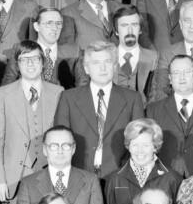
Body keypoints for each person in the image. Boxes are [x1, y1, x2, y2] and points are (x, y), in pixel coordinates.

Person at [0, 40, 63, 204]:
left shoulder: (58, 93)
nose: (30, 63)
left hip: (48, 177)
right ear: (17, 64)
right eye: (24, 59)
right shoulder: (2, 94)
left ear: (43, 63)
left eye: (35, 59)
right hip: (13, 179)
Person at [53, 39, 144, 177]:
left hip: (119, 176)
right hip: (79, 175)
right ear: (86, 68)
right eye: (96, 63)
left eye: (107, 62)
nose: (103, 68)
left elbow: (139, 142)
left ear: (115, 66)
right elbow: (59, 140)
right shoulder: (68, 98)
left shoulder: (132, 98)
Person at [14, 124, 105, 204]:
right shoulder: (28, 183)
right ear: (44, 150)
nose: (60, 151)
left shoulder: (91, 181)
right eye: (53, 146)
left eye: (66, 145)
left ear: (73, 149)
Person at [103, 119, 182, 204]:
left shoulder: (172, 178)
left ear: (155, 147)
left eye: (145, 145)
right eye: (135, 145)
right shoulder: (114, 179)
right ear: (128, 146)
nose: (140, 151)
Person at [144, 54, 193, 177]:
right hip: (166, 177)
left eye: (187, 72)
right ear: (170, 78)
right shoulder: (153, 109)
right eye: (176, 73)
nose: (182, 77)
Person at [2, 6, 80, 87]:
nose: (55, 28)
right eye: (49, 23)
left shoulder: (74, 52)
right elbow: (7, 85)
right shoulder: (20, 50)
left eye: (58, 23)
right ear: (36, 26)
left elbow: (82, 87)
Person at [100, 5, 159, 100]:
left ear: (140, 30)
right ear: (116, 31)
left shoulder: (153, 58)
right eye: (124, 25)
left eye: (134, 25)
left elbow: (156, 95)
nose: (130, 30)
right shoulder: (105, 57)